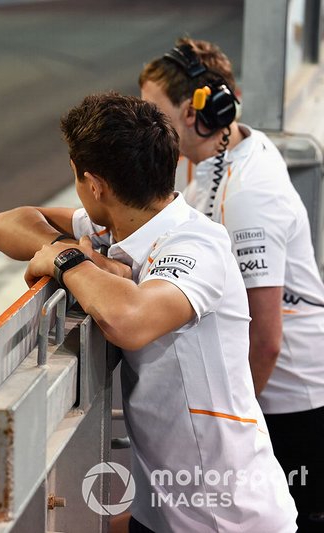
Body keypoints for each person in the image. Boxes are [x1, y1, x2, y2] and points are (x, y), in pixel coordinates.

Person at [0, 92, 297, 532]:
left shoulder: (195, 244)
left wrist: (68, 262)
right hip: (169, 511)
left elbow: (129, 321)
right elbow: (4, 223)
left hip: (229, 520)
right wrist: (65, 249)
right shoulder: (122, 224)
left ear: (94, 186)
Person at [139, 37, 324, 531]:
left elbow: (266, 342)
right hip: (276, 393)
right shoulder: (220, 157)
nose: (143, 124)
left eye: (153, 112)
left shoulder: (246, 196)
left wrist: (234, 434)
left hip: (286, 404)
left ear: (199, 113)